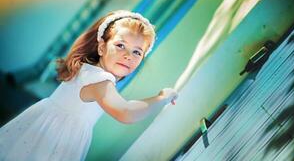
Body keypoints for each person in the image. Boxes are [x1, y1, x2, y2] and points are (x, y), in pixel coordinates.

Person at [0, 10, 178, 161]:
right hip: (52, 141)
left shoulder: (88, 71)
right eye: (120, 45)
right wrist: (163, 97)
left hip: (46, 133)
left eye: (137, 52)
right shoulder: (99, 80)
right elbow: (126, 113)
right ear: (101, 48)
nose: (128, 55)